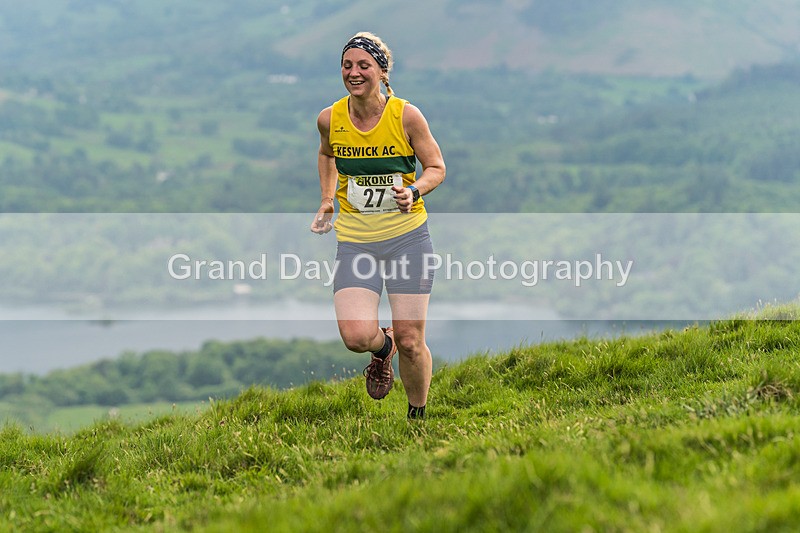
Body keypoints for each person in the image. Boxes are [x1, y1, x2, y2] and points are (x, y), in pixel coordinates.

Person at [310, 32, 446, 419]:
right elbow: (327, 154)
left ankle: (416, 417)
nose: (354, 73)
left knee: (412, 339)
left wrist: (415, 190)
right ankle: (381, 349)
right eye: (347, 65)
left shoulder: (406, 115)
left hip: (407, 240)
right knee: (355, 337)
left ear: (381, 71)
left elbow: (436, 167)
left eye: (363, 65)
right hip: (356, 242)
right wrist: (326, 199)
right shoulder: (329, 118)